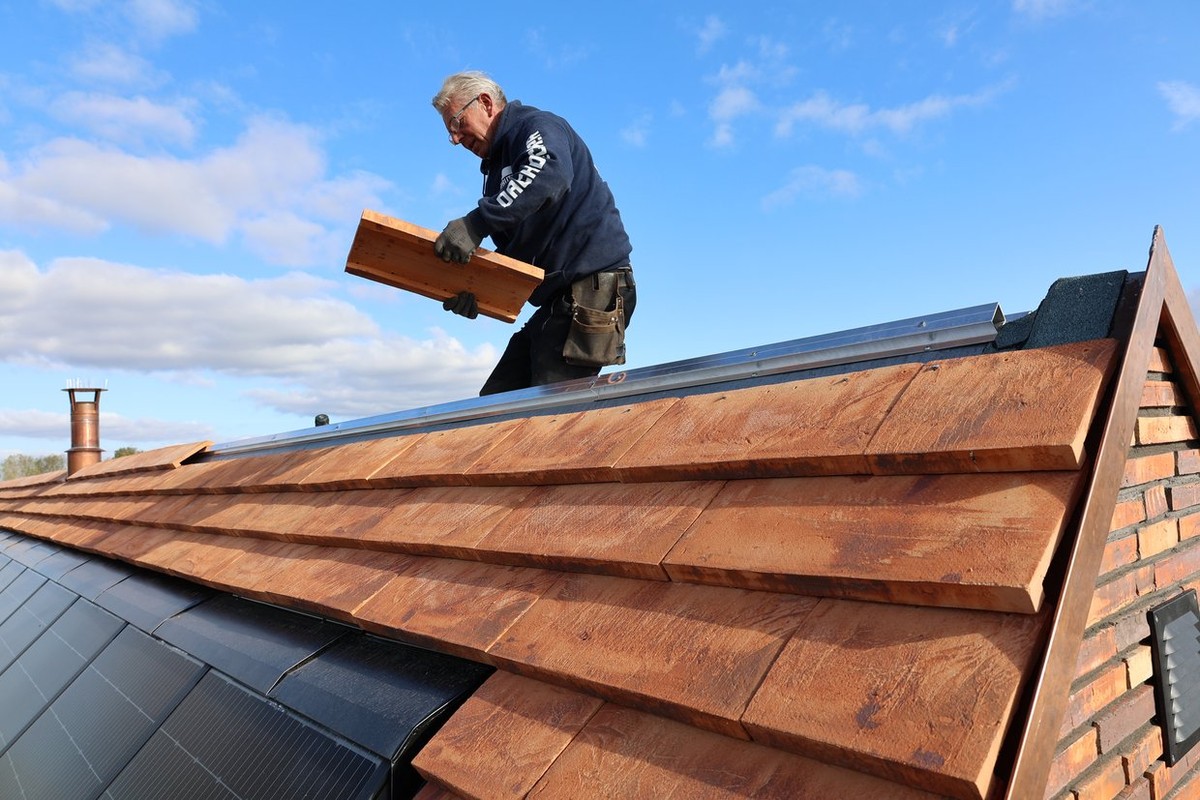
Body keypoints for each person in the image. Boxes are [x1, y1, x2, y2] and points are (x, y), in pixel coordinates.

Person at [431, 71, 636, 396]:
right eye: (449, 134)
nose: (455, 139)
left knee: (547, 412)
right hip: (558, 299)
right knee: (497, 402)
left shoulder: (535, 126)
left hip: (592, 285)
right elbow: (519, 254)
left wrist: (477, 223)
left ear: (485, 103)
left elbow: (550, 173)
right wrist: (478, 291)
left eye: (457, 123)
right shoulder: (498, 171)